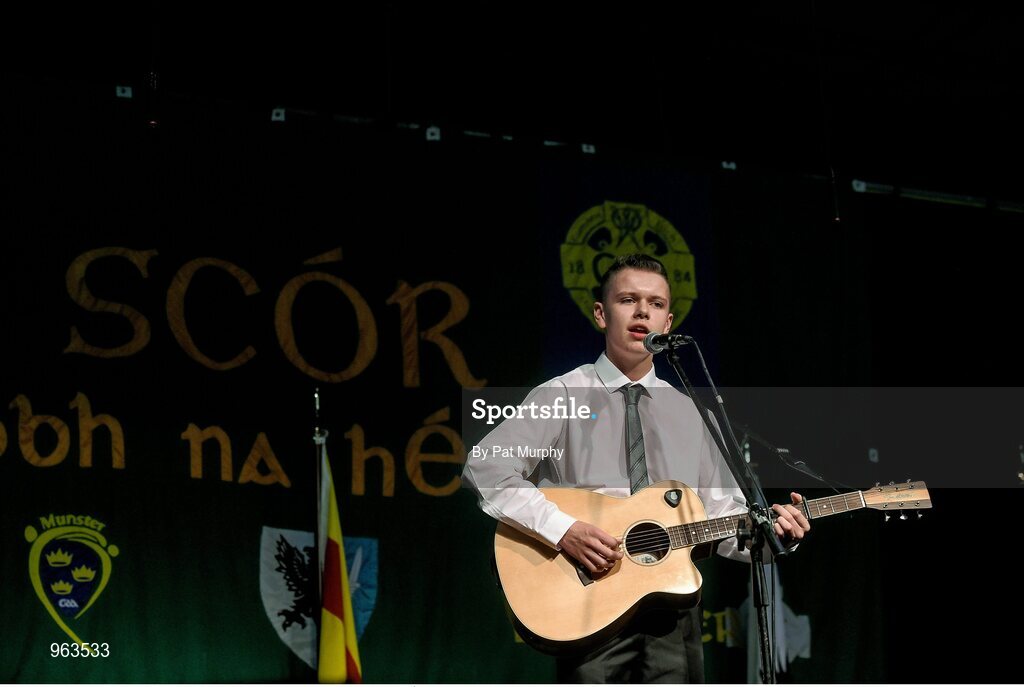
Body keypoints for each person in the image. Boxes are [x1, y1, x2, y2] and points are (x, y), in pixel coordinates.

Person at [462, 253, 810, 683]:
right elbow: (486, 469)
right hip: (588, 603)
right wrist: (563, 530)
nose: (643, 311)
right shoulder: (565, 392)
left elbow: (721, 518)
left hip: (672, 613)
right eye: (628, 299)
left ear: (667, 324)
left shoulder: (691, 412)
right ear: (601, 313)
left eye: (656, 304)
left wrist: (768, 533)